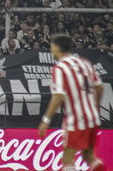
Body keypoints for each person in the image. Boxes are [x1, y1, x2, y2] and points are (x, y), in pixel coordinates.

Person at [38, 34, 106, 171]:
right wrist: (94, 107)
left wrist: (46, 120)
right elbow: (99, 86)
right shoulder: (84, 62)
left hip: (76, 119)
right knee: (89, 156)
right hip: (92, 117)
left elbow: (57, 96)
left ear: (57, 48)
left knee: (68, 159)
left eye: (52, 48)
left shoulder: (60, 68)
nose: (51, 51)